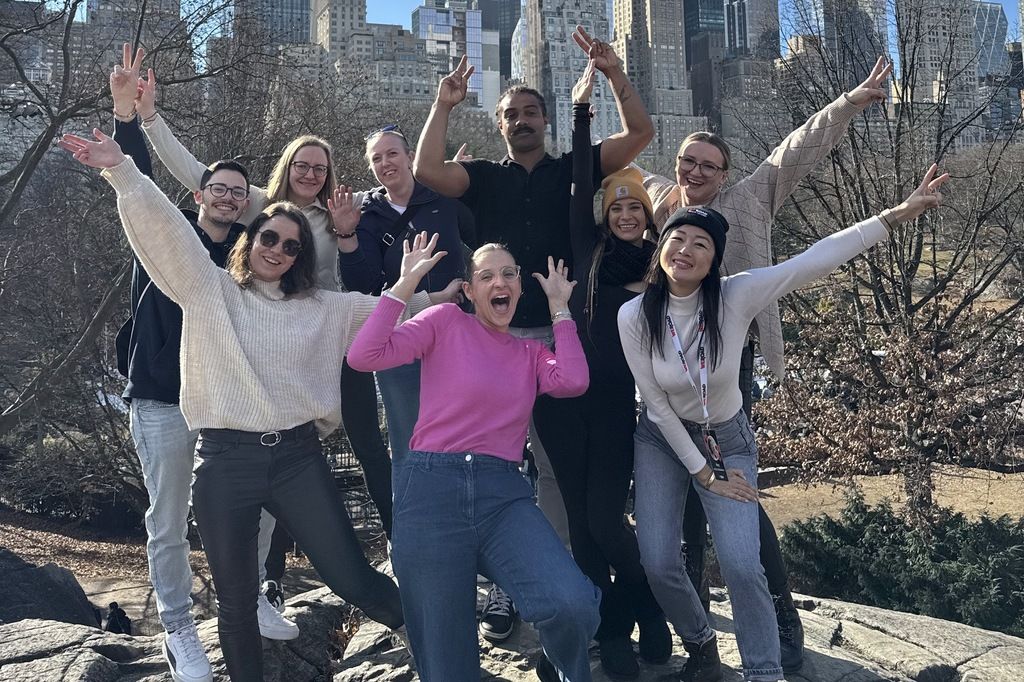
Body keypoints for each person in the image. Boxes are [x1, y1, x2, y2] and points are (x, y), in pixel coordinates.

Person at [59, 130, 459, 681]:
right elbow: (168, 233)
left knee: (352, 577)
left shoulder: (323, 307)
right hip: (224, 464)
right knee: (236, 603)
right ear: (251, 239)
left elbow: (389, 310)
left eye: (293, 246)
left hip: (297, 459)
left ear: (302, 257)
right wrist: (123, 171)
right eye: (269, 237)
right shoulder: (209, 290)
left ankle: (440, 649)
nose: (278, 250)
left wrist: (424, 290)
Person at [618, 167, 948, 682]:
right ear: (661, 246)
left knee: (742, 564)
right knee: (658, 560)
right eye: (676, 237)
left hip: (727, 439)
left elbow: (813, 260)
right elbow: (657, 405)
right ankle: (702, 641)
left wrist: (895, 216)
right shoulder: (635, 315)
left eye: (700, 243)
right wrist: (704, 476)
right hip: (662, 439)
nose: (685, 249)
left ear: (714, 260)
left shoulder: (736, 296)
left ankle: (764, 671)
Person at [637, 56, 895, 671]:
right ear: (678, 166)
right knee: (684, 501)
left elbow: (796, 150)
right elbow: (618, 164)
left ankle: (782, 611)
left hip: (731, 367)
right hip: (670, 371)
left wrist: (853, 101)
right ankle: (700, 634)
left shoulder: (750, 198)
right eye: (689, 161)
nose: (697, 172)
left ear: (724, 172)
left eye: (709, 165)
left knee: (734, 493)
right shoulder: (657, 201)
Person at [413, 24, 654, 646]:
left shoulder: (575, 166)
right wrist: (443, 105)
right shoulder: (486, 178)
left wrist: (613, 73)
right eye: (510, 114)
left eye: (529, 112)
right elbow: (427, 169)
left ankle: (561, 580)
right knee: (490, 454)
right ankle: (505, 586)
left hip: (559, 332)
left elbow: (641, 135)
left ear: (546, 119)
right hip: (493, 337)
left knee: (556, 470)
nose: (520, 121)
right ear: (498, 124)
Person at [131, 72, 397, 542]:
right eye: (303, 164)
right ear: (288, 167)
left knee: (366, 444)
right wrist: (149, 117)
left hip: (327, 333)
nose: (311, 174)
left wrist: (353, 227)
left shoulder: (341, 210)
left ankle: (399, 541)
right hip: (269, 342)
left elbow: (391, 199)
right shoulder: (258, 205)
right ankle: (270, 577)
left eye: (320, 167)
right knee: (276, 452)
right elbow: (196, 173)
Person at [107, 45, 292, 682]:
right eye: (216, 187)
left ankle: (255, 596)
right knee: (167, 515)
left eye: (237, 192)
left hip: (225, 398)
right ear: (200, 192)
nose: (225, 197)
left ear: (246, 203)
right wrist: (130, 112)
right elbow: (130, 174)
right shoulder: (166, 226)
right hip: (160, 395)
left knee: (262, 502)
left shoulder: (253, 255)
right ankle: (179, 628)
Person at [348, 239, 600, 682]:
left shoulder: (530, 354)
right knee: (446, 661)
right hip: (429, 492)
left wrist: (560, 309)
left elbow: (574, 380)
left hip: (502, 495)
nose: (499, 283)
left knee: (572, 603)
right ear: (468, 290)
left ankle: (562, 666)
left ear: (520, 288)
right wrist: (404, 286)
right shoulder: (446, 321)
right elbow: (364, 355)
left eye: (508, 274)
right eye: (486, 276)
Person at [528, 60, 669, 679]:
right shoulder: (585, 253)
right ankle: (612, 627)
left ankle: (644, 605)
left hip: (614, 402)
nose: (626, 213)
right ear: (604, 214)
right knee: (582, 528)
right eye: (616, 207)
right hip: (559, 398)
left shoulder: (661, 273)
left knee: (607, 517)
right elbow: (586, 172)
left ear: (646, 213)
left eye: (635, 206)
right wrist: (582, 111)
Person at [332, 125, 474, 468]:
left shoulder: (445, 200)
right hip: (402, 337)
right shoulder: (366, 212)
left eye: (392, 153)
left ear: (411, 157)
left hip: (455, 332)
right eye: (376, 158)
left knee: (463, 431)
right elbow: (361, 285)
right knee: (409, 437)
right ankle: (413, 516)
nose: (385, 163)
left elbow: (484, 247)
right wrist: (346, 234)